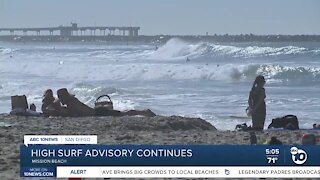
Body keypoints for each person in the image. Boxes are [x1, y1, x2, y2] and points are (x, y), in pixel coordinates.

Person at [57, 88, 156, 117]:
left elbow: (74, 114)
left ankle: (144, 112)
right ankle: (143, 112)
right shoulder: (71, 102)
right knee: (123, 113)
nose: (60, 100)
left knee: (123, 114)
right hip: (97, 112)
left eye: (60, 97)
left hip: (98, 113)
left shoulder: (71, 103)